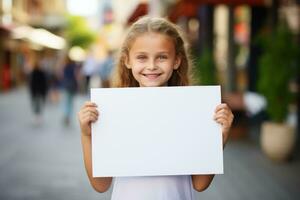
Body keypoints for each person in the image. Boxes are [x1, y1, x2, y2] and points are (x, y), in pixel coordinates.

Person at [78, 17, 234, 200]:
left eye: (162, 57)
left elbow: (200, 184)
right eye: (142, 57)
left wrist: (219, 136)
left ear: (176, 61)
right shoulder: (112, 112)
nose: (151, 66)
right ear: (127, 60)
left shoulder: (191, 112)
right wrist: (87, 134)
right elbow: (100, 184)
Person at [62, 56, 78, 126]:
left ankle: (66, 115)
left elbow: (61, 76)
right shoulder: (73, 66)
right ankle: (69, 116)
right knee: (70, 102)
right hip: (72, 85)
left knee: (66, 101)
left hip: (66, 85)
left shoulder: (65, 67)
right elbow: (76, 76)